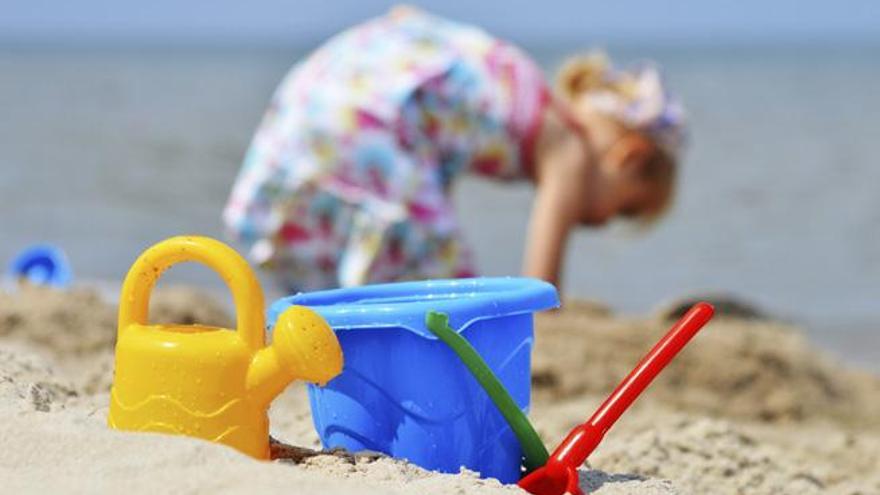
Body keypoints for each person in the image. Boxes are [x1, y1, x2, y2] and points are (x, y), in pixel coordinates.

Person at [223, 6, 686, 292]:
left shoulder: (517, 80)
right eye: (623, 210)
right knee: (444, 285)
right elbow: (541, 283)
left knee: (339, 271)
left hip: (319, 102)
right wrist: (545, 319)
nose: (604, 223)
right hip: (375, 121)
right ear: (628, 156)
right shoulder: (568, 149)